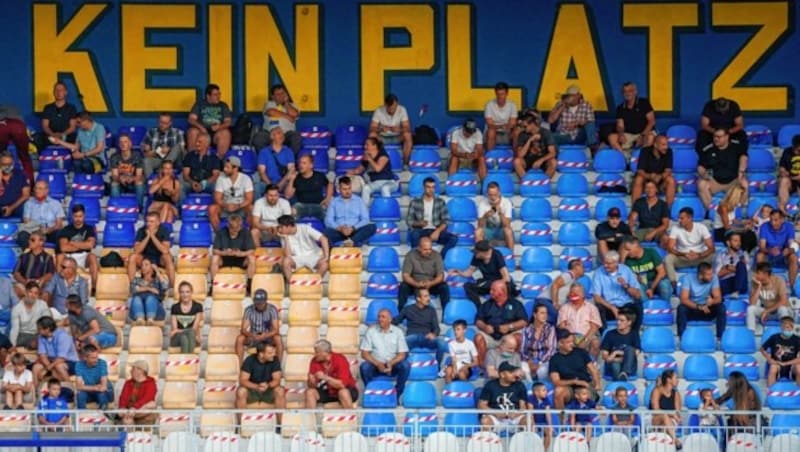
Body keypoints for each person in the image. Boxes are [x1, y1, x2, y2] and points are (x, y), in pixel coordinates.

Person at [474, 280, 528, 367]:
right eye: (491, 289)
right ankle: (484, 367)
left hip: (508, 335)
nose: (490, 292)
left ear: (502, 291)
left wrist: (509, 327)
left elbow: (524, 322)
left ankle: (513, 366)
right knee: (478, 338)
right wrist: (484, 327)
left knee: (518, 338)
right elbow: (478, 321)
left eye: (493, 290)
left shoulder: (515, 304)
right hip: (490, 336)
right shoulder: (486, 304)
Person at [359, 309, 410, 396]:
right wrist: (377, 364)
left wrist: (390, 363)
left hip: (393, 365)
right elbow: (364, 353)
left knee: (405, 365)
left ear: (390, 319)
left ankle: (397, 394)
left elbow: (402, 354)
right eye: (379, 317)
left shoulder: (398, 332)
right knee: (364, 367)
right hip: (375, 365)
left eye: (383, 317)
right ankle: (372, 392)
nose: (380, 319)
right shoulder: (371, 331)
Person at [452, 240, 517, 308]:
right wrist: (458, 272)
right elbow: (469, 272)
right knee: (468, 286)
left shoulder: (497, 255)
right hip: (486, 283)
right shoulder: (476, 257)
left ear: (484, 252)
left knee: (508, 286)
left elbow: (506, 278)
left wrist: (495, 285)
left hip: (498, 282)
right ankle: (479, 307)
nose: (475, 254)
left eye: (477, 252)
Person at [549, 328, 602, 410]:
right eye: (568, 342)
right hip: (569, 387)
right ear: (560, 343)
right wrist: (574, 381)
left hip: (585, 385)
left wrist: (597, 384)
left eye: (572, 341)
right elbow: (556, 381)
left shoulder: (581, 353)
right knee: (558, 391)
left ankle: (585, 419)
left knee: (583, 393)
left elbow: (593, 370)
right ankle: (561, 421)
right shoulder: (554, 359)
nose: (572, 344)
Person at [406, 176, 457, 258]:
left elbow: (446, 220)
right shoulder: (415, 202)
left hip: (435, 230)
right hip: (421, 231)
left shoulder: (440, 202)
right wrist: (419, 223)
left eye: (433, 187)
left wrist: (437, 231)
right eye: (428, 187)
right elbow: (409, 221)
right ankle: (416, 259)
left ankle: (440, 258)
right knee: (414, 234)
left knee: (453, 239)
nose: (431, 189)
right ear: (423, 187)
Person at [697, 128, 748, 209]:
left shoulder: (736, 147)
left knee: (744, 184)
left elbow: (744, 158)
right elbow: (700, 166)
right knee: (701, 184)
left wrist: (741, 172)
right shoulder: (708, 149)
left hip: (733, 181)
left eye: (719, 137)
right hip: (715, 181)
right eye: (714, 137)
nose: (716, 139)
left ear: (727, 137)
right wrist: (704, 174)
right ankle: (712, 211)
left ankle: (738, 211)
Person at [592, 251, 643, 332]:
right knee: (598, 308)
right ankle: (605, 337)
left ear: (616, 263)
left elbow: (638, 295)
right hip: (608, 306)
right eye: (604, 263)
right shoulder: (599, 272)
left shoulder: (626, 270)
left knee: (638, 306)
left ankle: (634, 335)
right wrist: (612, 308)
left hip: (625, 305)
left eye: (609, 263)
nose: (605, 265)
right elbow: (596, 297)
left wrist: (626, 286)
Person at [393, 288, 446, 365]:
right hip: (412, 337)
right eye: (425, 296)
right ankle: (403, 366)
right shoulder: (408, 309)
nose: (428, 298)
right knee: (403, 343)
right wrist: (380, 324)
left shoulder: (432, 310)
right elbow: (396, 321)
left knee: (442, 343)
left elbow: (436, 328)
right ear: (418, 298)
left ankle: (437, 368)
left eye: (428, 296)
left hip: (426, 338)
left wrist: (434, 334)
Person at [664, 207, 715, 285]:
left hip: (700, 257)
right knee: (668, 259)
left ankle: (713, 282)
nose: (679, 220)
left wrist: (699, 255)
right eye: (679, 218)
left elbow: (711, 248)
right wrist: (683, 254)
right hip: (683, 257)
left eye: (682, 218)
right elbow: (670, 248)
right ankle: (673, 283)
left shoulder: (701, 227)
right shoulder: (675, 228)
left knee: (714, 257)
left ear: (690, 218)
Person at [398, 237, 449, 311]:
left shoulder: (437, 256)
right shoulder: (410, 255)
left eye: (430, 249)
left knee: (444, 287)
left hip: (431, 284)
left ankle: (446, 313)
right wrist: (416, 284)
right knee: (403, 286)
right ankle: (400, 313)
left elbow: (440, 276)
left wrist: (431, 283)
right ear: (419, 248)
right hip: (415, 284)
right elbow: (405, 276)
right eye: (425, 249)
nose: (428, 251)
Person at [323, 176, 377, 246]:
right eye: (344, 189)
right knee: (326, 231)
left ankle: (351, 241)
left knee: (372, 227)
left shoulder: (359, 201)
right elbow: (328, 220)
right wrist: (340, 228)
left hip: (355, 231)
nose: (348, 191)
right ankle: (351, 241)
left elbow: (365, 219)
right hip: (340, 232)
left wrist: (353, 228)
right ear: (339, 189)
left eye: (349, 188)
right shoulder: (334, 202)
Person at [305, 339, 359, 409]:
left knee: (343, 392)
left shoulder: (340, 359)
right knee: (310, 392)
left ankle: (350, 418)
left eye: (317, 352)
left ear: (326, 352)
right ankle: (311, 419)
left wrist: (325, 377)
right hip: (328, 390)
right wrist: (311, 381)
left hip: (347, 389)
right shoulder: (314, 360)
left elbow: (342, 385)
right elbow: (311, 386)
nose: (315, 354)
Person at [677, 262, 725, 339]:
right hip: (693, 309)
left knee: (721, 307)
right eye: (708, 274)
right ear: (700, 275)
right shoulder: (688, 278)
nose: (711, 276)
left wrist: (712, 301)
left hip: (707, 309)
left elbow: (718, 298)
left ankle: (721, 338)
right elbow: (683, 299)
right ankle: (682, 338)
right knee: (681, 308)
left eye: (711, 273)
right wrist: (699, 307)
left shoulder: (714, 278)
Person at [478, 362, 528, 433]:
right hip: (496, 418)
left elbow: (523, 407)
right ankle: (487, 443)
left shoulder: (520, 385)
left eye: (514, 372)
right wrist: (496, 413)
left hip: (514, 418)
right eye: (511, 372)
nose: (514, 374)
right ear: (502, 374)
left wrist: (516, 414)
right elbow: (481, 405)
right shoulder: (490, 385)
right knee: (485, 421)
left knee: (528, 420)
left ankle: (529, 443)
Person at [607, 82, 656, 155]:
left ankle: (642, 158)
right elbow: (620, 126)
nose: (627, 93)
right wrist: (620, 134)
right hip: (629, 134)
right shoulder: (620, 108)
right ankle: (624, 158)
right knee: (611, 137)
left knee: (650, 137)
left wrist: (642, 136)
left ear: (635, 92)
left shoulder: (644, 103)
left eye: (630, 91)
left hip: (645, 132)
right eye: (625, 91)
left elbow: (652, 121)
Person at [252, 83, 302, 153]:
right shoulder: (269, 104)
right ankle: (265, 160)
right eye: (278, 94)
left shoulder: (292, 105)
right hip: (270, 133)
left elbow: (294, 114)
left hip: (287, 134)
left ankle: (290, 161)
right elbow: (271, 112)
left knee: (296, 138)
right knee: (259, 138)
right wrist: (288, 117)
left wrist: (286, 103)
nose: (281, 96)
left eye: (282, 93)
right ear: (273, 96)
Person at [128, 212, 174, 287]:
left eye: (152, 221)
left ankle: (172, 286)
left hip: (159, 257)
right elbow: (137, 250)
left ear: (158, 222)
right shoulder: (141, 230)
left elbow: (165, 250)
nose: (149, 224)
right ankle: (133, 286)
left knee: (168, 257)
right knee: (133, 257)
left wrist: (152, 236)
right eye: (147, 221)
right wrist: (147, 237)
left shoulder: (164, 230)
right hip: (145, 258)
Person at [236, 342, 286, 411]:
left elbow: (277, 380)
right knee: (241, 391)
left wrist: (268, 385)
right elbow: (243, 380)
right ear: (261, 354)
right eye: (270, 353)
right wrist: (257, 386)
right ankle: (240, 421)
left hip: (268, 389)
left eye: (274, 352)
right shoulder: (249, 360)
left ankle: (280, 421)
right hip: (253, 390)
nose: (273, 354)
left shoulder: (275, 359)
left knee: (280, 391)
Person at [56, 203, 98, 286]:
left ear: (84, 215)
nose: (78, 219)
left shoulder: (89, 229)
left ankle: (94, 288)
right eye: (76, 216)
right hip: (69, 257)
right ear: (72, 216)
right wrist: (83, 245)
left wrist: (72, 243)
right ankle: (59, 285)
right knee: (60, 256)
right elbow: (64, 248)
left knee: (92, 256)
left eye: (80, 216)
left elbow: (90, 245)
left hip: (84, 256)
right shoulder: (66, 229)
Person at [208, 156, 254, 231]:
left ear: (235, 168)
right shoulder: (221, 178)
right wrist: (226, 205)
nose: (224, 169)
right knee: (212, 209)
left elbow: (249, 199)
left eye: (227, 167)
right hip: (225, 207)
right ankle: (219, 234)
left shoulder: (246, 179)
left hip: (241, 207)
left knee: (252, 208)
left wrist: (238, 206)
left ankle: (249, 234)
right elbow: (217, 198)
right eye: (224, 166)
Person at [187, 83, 232, 159]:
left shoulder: (223, 105)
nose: (218, 96)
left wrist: (220, 127)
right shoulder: (200, 104)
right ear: (208, 96)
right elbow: (191, 119)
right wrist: (201, 128)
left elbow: (228, 122)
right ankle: (193, 160)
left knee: (225, 133)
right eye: (215, 95)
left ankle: (219, 161)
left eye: (219, 94)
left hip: (216, 133)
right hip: (202, 132)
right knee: (192, 132)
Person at [277, 214, 329, 279]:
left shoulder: (305, 228)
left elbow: (323, 239)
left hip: (313, 256)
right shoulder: (283, 236)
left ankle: (313, 284)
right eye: (279, 227)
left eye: (281, 227)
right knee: (286, 261)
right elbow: (288, 255)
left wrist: (326, 257)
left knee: (324, 265)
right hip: (297, 258)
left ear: (289, 226)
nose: (279, 230)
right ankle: (292, 285)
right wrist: (286, 238)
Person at [235, 289, 281, 362]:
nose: (259, 305)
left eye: (261, 303)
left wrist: (265, 335)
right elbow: (243, 329)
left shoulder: (272, 309)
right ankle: (240, 367)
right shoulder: (249, 309)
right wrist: (252, 335)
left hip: (268, 337)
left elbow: (276, 330)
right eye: (257, 303)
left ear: (265, 301)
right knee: (240, 338)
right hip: (253, 337)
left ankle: (278, 366)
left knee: (278, 338)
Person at [621, 236, 672, 302]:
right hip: (642, 284)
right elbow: (622, 274)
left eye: (628, 249)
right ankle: (647, 309)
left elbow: (662, 272)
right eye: (625, 250)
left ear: (636, 246)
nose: (627, 252)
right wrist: (622, 257)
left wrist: (652, 288)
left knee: (665, 284)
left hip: (655, 281)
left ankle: (666, 307)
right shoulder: (627, 259)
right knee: (638, 288)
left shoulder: (651, 252)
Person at [347, 136, 398, 202]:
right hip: (375, 183)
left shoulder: (383, 155)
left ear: (375, 146)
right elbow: (359, 170)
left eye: (367, 145)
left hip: (389, 182)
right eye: (365, 145)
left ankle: (387, 209)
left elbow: (378, 169)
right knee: (366, 188)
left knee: (385, 188)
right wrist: (351, 172)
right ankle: (364, 211)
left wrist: (369, 159)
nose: (365, 147)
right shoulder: (367, 157)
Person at [558, 284, 602, 358]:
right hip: (570, 336)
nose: (575, 293)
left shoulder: (591, 308)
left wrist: (585, 340)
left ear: (583, 294)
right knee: (563, 343)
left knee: (595, 342)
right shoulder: (564, 308)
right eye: (572, 291)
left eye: (578, 291)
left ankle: (590, 365)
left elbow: (594, 328)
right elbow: (562, 327)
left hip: (587, 336)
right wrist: (571, 339)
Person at [756, 209, 798, 288]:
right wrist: (769, 250)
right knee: (759, 256)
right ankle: (761, 286)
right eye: (771, 220)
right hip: (769, 254)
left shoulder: (789, 227)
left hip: (783, 254)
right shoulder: (764, 226)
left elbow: (791, 244)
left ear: (782, 219)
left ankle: (792, 287)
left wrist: (789, 250)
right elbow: (762, 247)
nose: (773, 223)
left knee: (793, 257)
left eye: (776, 220)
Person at [33, 316, 79, 386]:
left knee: (59, 366)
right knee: (36, 367)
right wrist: (50, 369)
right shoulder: (41, 337)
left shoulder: (62, 336)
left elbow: (61, 358)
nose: (37, 330)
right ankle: (37, 392)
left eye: (39, 329)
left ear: (47, 329)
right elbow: (43, 355)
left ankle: (70, 388)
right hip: (51, 362)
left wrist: (47, 369)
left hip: (69, 361)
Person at [547, 84, 597, 149]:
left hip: (579, 135)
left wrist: (576, 124)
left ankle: (592, 147)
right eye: (569, 95)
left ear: (578, 95)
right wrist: (563, 106)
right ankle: (554, 155)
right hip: (563, 134)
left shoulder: (586, 105)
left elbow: (591, 121)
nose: (571, 97)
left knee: (590, 124)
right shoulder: (560, 104)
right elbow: (550, 120)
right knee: (548, 137)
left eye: (573, 95)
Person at [285, 154, 333, 220]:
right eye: (300, 163)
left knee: (328, 218)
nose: (301, 165)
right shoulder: (296, 178)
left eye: (304, 163)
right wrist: (292, 180)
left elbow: (330, 184)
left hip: (318, 205)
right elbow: (288, 196)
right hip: (301, 206)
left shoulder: (319, 176)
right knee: (291, 215)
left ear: (311, 165)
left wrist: (328, 198)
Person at [748, 262, 793, 333]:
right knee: (750, 309)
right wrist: (758, 287)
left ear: (765, 274)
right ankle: (749, 336)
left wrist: (767, 311)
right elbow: (752, 303)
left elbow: (783, 301)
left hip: (783, 312)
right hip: (768, 313)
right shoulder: (755, 283)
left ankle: (785, 336)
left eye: (757, 273)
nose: (755, 275)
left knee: (782, 309)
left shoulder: (779, 280)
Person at [631, 135, 676, 206]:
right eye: (663, 145)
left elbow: (668, 170)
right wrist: (650, 176)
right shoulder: (645, 151)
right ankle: (635, 209)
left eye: (667, 144)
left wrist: (660, 176)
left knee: (671, 180)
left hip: (660, 181)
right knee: (638, 179)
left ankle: (668, 210)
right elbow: (640, 170)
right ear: (655, 145)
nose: (666, 147)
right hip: (647, 180)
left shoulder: (669, 151)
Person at [33, 81, 78, 151]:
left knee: (77, 138)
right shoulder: (48, 108)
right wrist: (53, 134)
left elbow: (72, 127)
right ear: (53, 92)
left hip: (65, 136)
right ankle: (43, 157)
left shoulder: (71, 108)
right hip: (51, 136)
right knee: (37, 137)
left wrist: (61, 134)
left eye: (61, 90)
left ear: (65, 92)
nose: (58, 92)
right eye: (56, 90)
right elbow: (45, 126)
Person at [210, 213, 256, 282]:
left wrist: (241, 254)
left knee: (251, 258)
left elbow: (252, 250)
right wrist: (224, 253)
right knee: (215, 258)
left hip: (241, 259)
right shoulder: (221, 232)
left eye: (237, 228)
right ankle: (213, 283)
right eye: (233, 228)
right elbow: (215, 250)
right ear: (228, 226)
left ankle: (250, 283)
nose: (235, 231)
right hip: (225, 259)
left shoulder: (246, 232)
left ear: (240, 226)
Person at [369, 93, 413, 162]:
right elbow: (372, 128)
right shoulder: (379, 110)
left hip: (397, 137)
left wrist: (399, 129)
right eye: (390, 108)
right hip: (382, 137)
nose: (393, 110)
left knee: (408, 135)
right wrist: (381, 129)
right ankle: (375, 162)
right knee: (372, 135)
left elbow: (407, 128)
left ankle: (405, 162)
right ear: (386, 105)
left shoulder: (402, 110)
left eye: (395, 107)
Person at [713, 185, 757, 252]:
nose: (743, 199)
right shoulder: (723, 207)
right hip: (721, 231)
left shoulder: (733, 206)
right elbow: (727, 227)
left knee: (751, 233)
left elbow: (733, 220)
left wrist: (747, 221)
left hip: (730, 228)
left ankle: (747, 252)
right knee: (746, 234)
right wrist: (743, 229)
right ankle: (742, 253)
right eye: (741, 197)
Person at [254, 127, 296, 198]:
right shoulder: (264, 152)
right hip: (267, 183)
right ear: (272, 137)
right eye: (279, 133)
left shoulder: (288, 151)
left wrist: (280, 185)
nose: (282, 135)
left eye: (282, 133)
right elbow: (262, 172)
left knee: (294, 187)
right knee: (257, 187)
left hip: (284, 183)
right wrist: (271, 186)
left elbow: (291, 171)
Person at [140, 112, 186, 177]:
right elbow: (144, 151)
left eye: (165, 123)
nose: (162, 125)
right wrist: (154, 151)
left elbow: (182, 150)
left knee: (178, 147)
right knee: (146, 161)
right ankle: (151, 183)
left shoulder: (178, 132)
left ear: (170, 123)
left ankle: (164, 169)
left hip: (173, 162)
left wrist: (169, 150)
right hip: (157, 160)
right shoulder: (151, 132)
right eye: (161, 122)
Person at [12, 231, 56, 299]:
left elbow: (50, 274)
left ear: (41, 242)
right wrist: (25, 282)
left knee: (47, 293)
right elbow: (16, 273)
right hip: (25, 283)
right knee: (15, 290)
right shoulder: (23, 256)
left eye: (32, 240)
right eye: (29, 239)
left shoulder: (48, 257)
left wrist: (39, 281)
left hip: (41, 284)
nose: (29, 241)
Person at [520, 304, 557, 382]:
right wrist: (529, 361)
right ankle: (530, 388)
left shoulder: (550, 329)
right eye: (542, 313)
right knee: (523, 369)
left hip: (545, 360)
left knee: (542, 371)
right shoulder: (526, 329)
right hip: (530, 360)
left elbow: (551, 349)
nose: (545, 315)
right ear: (535, 315)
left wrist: (539, 363)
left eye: (546, 313)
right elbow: (522, 349)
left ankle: (542, 389)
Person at [22, 180, 65, 245]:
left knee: (60, 235)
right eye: (36, 188)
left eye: (40, 189)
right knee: (22, 236)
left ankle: (57, 255)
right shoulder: (28, 204)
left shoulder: (55, 203)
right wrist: (38, 232)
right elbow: (27, 222)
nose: (37, 191)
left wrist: (48, 230)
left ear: (46, 190)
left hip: (50, 232)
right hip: (34, 231)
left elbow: (59, 224)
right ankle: (28, 254)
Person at [513, 112, 557, 177]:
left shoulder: (545, 133)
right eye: (522, 126)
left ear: (532, 124)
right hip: (528, 160)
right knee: (517, 161)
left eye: (525, 126)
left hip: (543, 160)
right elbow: (520, 155)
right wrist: (530, 140)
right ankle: (526, 183)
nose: (523, 128)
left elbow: (553, 153)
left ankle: (545, 183)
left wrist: (541, 160)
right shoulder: (523, 134)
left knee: (553, 162)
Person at [599, 311, 640, 381]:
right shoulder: (609, 334)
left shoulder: (634, 334)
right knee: (615, 364)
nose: (618, 323)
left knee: (630, 349)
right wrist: (617, 355)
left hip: (630, 366)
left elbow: (636, 353)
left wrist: (617, 353)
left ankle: (624, 373)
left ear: (629, 322)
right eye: (617, 320)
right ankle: (622, 378)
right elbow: (605, 357)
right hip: (613, 365)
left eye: (622, 320)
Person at [128, 257, 169, 325]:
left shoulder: (157, 279)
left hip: (156, 312)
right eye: (142, 265)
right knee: (136, 298)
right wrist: (149, 289)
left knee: (150, 298)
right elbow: (132, 289)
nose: (143, 267)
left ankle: (150, 319)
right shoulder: (137, 279)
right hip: (137, 311)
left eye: (146, 265)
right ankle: (140, 319)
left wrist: (157, 272)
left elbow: (165, 287)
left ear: (152, 267)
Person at [9, 281, 50, 349]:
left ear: (38, 295)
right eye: (30, 292)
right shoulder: (17, 308)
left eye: (36, 293)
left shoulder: (42, 305)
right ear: (25, 292)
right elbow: (14, 329)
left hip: (38, 334)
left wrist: (40, 337)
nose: (33, 295)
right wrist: (12, 345)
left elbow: (47, 323)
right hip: (22, 335)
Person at [629, 180, 671, 245]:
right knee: (629, 240)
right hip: (642, 230)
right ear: (644, 190)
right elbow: (632, 218)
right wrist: (631, 230)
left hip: (657, 230)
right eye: (647, 187)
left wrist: (653, 232)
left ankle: (663, 255)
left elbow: (665, 225)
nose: (649, 190)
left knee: (665, 238)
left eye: (652, 187)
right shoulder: (639, 202)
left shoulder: (663, 204)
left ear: (656, 189)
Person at [761, 316, 800, 386]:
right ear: (781, 327)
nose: (787, 330)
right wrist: (769, 359)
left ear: (792, 327)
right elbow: (762, 349)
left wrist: (786, 363)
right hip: (777, 363)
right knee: (773, 368)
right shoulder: (774, 337)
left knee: (799, 367)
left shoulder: (797, 339)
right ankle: (771, 392)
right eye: (785, 327)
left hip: (791, 365)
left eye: (789, 327)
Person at [117, 360, 157, 426]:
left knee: (152, 404)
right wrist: (122, 407)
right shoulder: (128, 383)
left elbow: (147, 398)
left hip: (140, 408)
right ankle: (128, 419)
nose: (130, 371)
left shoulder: (151, 383)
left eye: (133, 368)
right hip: (129, 409)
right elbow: (123, 397)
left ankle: (129, 415)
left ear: (140, 370)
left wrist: (134, 408)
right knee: (127, 420)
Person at [109, 133, 145, 207]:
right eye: (121, 142)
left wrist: (132, 178)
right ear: (119, 145)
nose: (123, 144)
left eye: (125, 142)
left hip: (133, 183)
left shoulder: (137, 156)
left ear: (130, 144)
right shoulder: (114, 157)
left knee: (140, 183)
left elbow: (139, 175)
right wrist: (120, 178)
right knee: (114, 183)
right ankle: (117, 208)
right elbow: (114, 175)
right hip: (120, 183)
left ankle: (138, 208)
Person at [74, 344, 114, 410]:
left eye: (96, 357)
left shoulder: (102, 363)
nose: (96, 360)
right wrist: (95, 387)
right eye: (93, 358)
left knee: (101, 394)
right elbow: (79, 386)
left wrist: (86, 387)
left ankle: (104, 416)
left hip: (105, 393)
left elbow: (103, 387)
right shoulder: (79, 364)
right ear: (85, 358)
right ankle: (81, 416)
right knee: (80, 394)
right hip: (92, 391)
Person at [476, 182, 514, 249]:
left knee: (508, 231)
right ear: (487, 194)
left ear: (499, 193)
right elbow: (480, 225)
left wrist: (501, 214)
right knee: (478, 232)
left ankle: (510, 256)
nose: (493, 197)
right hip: (489, 230)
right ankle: (480, 254)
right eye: (490, 195)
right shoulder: (482, 203)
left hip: (501, 230)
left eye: (495, 195)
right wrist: (485, 217)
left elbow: (507, 225)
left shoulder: (506, 202)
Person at [169, 281, 204, 353]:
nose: (185, 295)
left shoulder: (198, 306)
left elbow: (194, 328)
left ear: (191, 293)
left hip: (192, 337)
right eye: (182, 292)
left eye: (187, 292)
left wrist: (178, 330)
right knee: (187, 334)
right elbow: (175, 329)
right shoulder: (175, 307)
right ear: (179, 293)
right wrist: (178, 331)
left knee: (185, 338)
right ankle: (190, 361)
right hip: (176, 339)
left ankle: (185, 361)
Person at [650, 370, 682, 448]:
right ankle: (676, 440)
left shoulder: (676, 394)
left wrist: (676, 416)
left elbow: (677, 412)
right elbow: (656, 410)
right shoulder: (657, 390)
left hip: (670, 422)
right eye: (676, 378)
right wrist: (671, 414)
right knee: (664, 416)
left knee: (665, 425)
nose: (678, 380)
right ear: (668, 379)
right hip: (656, 419)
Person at [484, 82, 519, 150]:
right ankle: (490, 156)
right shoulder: (489, 105)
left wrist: (507, 126)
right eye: (498, 94)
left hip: (508, 129)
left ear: (507, 94)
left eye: (502, 94)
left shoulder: (512, 105)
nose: (500, 96)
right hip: (494, 129)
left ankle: (515, 156)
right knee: (491, 131)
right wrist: (500, 126)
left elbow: (513, 122)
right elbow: (489, 124)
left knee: (516, 131)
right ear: (495, 94)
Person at [714, 232, 750, 297]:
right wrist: (728, 267)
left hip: (741, 284)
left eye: (739, 241)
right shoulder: (721, 255)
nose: (739, 243)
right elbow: (717, 274)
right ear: (728, 243)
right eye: (735, 241)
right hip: (727, 283)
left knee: (741, 264)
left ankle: (736, 291)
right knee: (716, 284)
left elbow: (745, 270)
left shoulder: (744, 254)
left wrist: (725, 268)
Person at [445, 319, 478, 383]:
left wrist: (466, 366)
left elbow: (476, 362)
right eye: (454, 329)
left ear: (464, 330)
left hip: (466, 365)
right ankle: (449, 390)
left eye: (458, 329)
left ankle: (465, 390)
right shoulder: (451, 344)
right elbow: (454, 360)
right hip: (456, 365)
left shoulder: (470, 343)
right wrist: (455, 369)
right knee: (448, 370)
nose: (455, 332)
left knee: (461, 373)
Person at [0, 151, 30, 219]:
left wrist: (11, 208)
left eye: (10, 164)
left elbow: (26, 195)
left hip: (16, 206)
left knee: (26, 208)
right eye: (4, 164)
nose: (7, 166)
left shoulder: (20, 174)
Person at [528, 382, 554, 449]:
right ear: (536, 392)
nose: (546, 392)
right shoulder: (531, 398)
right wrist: (533, 424)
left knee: (549, 432)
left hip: (543, 422)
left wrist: (550, 425)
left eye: (546, 390)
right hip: (533, 422)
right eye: (544, 390)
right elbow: (531, 413)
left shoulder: (546, 399)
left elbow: (548, 413)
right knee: (532, 432)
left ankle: (544, 450)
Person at [778, 135, 800, 213]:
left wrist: (792, 177)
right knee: (784, 181)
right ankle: (783, 209)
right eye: (795, 148)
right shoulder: (787, 151)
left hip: (795, 179)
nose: (796, 151)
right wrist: (783, 171)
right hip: (791, 182)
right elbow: (782, 167)